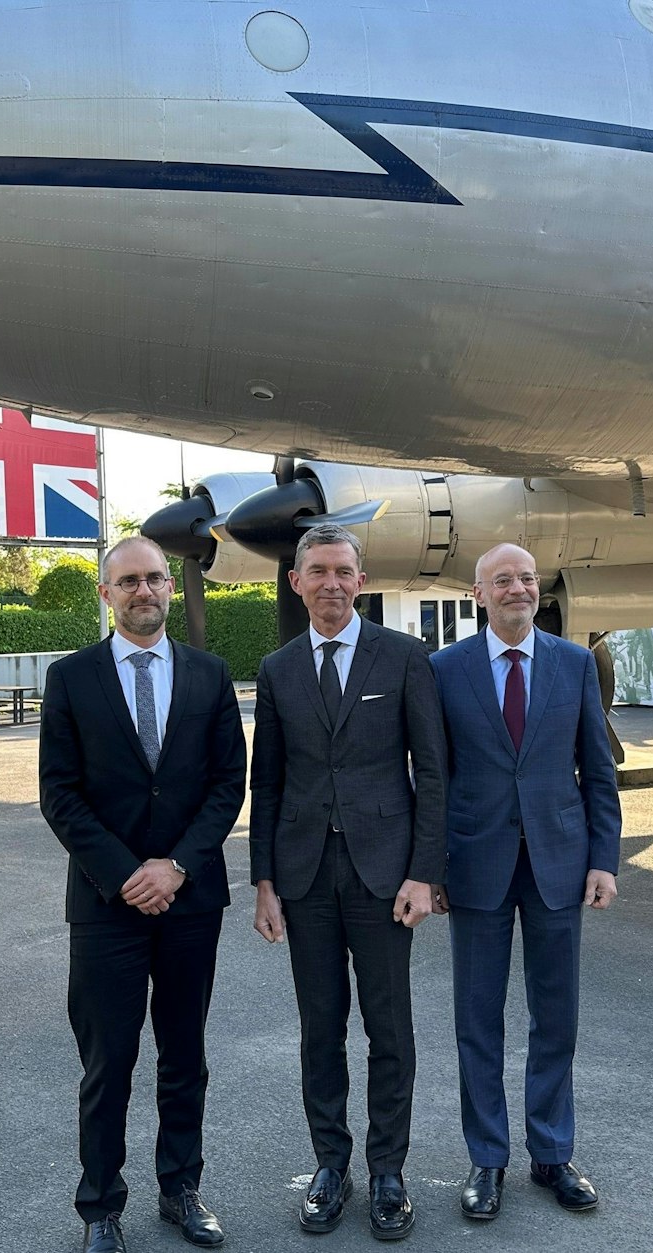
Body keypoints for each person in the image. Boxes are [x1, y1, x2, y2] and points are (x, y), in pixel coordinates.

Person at [38, 536, 247, 1253]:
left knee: (184, 1055)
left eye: (155, 577)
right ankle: (100, 1206)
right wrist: (128, 873)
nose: (144, 590)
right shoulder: (71, 678)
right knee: (108, 1063)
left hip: (191, 900)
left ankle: (181, 1188)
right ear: (107, 593)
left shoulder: (210, 675)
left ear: (170, 587)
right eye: (128, 580)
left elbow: (227, 783)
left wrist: (177, 866)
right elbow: (59, 794)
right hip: (107, 903)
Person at [248, 523, 446, 1242]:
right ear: (296, 582)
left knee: (389, 1028)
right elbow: (267, 781)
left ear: (361, 581)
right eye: (318, 570)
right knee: (320, 1029)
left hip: (384, 874)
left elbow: (433, 772)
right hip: (303, 875)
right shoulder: (277, 669)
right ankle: (331, 1165)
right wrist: (263, 881)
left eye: (343, 570)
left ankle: (388, 1169)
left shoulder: (405, 657)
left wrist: (424, 872)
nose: (331, 582)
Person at [427, 543, 621, 1221]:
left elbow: (598, 769)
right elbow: (433, 776)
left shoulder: (574, 663)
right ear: (478, 594)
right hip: (474, 866)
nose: (519, 588)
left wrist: (604, 859)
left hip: (558, 864)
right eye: (503, 579)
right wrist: (431, 868)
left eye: (528, 578)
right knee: (477, 1021)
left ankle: (552, 1152)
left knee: (556, 1016)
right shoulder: (445, 669)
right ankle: (487, 1158)